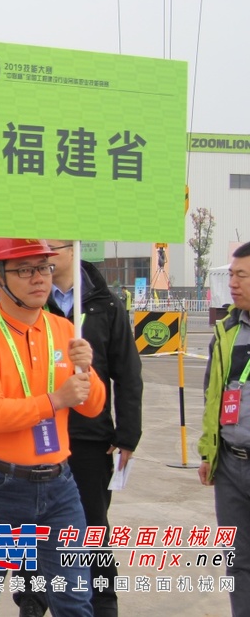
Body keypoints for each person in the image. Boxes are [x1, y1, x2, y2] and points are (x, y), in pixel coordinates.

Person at [0, 238, 106, 617]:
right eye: (24, 270)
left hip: (58, 487)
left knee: (74, 597)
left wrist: (86, 369)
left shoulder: (64, 329)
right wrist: (55, 400)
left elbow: (95, 406)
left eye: (43, 267)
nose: (39, 278)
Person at [14, 241, 143, 617]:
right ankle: (32, 601)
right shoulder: (29, 302)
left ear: (72, 248)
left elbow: (128, 372)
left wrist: (127, 434)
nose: (44, 259)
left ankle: (102, 604)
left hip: (90, 438)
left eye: (52, 248)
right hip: (39, 433)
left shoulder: (105, 303)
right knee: (30, 528)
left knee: (92, 530)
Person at [199, 240, 250, 617]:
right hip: (231, 463)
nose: (232, 283)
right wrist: (208, 451)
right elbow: (213, 395)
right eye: (231, 274)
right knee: (237, 559)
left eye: (241, 275)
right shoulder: (227, 328)